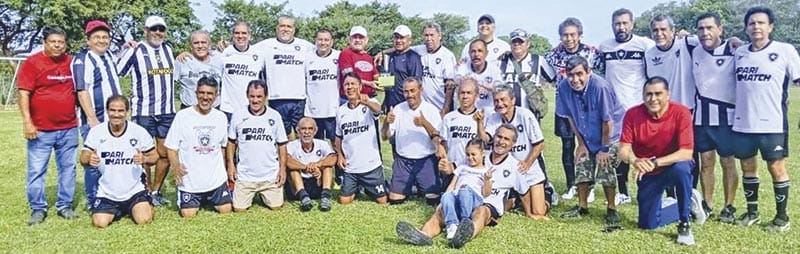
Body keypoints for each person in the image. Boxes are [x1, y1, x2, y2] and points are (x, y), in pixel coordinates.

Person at [396, 124, 525, 249]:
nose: (501, 141)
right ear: (494, 137)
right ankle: (423, 235)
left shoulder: (515, 166)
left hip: (486, 203)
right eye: (499, 136)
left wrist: (532, 211)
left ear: (513, 144)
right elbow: (454, 170)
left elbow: (524, 191)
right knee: (441, 211)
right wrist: (444, 165)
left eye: (506, 139)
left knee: (481, 211)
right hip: (462, 197)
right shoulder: (476, 153)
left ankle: (464, 235)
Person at [732, 7, 800, 232]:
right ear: (746, 28)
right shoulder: (739, 52)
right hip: (743, 122)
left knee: (776, 167)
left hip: (773, 122)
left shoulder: (785, 50)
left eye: (761, 23)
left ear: (771, 27)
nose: (756, 27)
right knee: (748, 167)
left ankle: (782, 218)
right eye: (752, 23)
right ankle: (753, 213)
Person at [619, 76, 696, 245]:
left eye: (658, 94)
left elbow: (686, 153)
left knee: (682, 169)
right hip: (648, 173)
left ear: (667, 94)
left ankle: (684, 223)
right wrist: (635, 160)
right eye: (648, 94)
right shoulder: (632, 114)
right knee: (647, 224)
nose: (653, 99)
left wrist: (654, 162)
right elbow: (623, 150)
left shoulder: (681, 112)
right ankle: (689, 205)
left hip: (670, 166)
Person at [555, 56, 625, 230]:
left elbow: (607, 121)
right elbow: (570, 116)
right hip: (587, 135)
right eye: (570, 75)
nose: (575, 79)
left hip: (610, 135)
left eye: (579, 74)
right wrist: (581, 143)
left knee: (605, 165)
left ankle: (611, 208)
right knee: (582, 162)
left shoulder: (600, 87)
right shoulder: (563, 87)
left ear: (588, 72)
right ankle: (582, 206)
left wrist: (604, 149)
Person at [17, 26, 78, 225]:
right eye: (53, 41)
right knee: (36, 170)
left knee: (68, 169)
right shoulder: (32, 63)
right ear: (45, 42)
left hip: (68, 128)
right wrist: (28, 122)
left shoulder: (71, 62)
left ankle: (65, 206)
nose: (57, 45)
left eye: (61, 42)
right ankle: (38, 208)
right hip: (41, 130)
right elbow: (24, 93)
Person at [117, 15, 176, 206]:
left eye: (161, 29)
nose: (157, 33)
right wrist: (123, 49)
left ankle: (156, 190)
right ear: (146, 30)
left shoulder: (168, 49)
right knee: (144, 155)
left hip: (167, 111)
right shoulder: (137, 50)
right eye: (153, 29)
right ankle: (146, 191)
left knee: (165, 153)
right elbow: (118, 70)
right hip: (143, 111)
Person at [598, 9, 655, 205]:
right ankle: (623, 192)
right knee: (621, 151)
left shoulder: (645, 44)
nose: (621, 27)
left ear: (632, 24)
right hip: (614, 111)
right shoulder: (605, 47)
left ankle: (647, 189)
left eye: (625, 23)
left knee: (645, 150)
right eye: (617, 24)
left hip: (639, 107)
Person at [544, 17, 603, 201]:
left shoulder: (592, 52)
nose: (569, 39)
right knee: (567, 146)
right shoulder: (553, 55)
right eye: (565, 35)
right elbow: (545, 73)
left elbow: (602, 73)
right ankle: (572, 185)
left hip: (587, 108)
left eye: (572, 35)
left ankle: (589, 184)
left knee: (589, 145)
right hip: (565, 107)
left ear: (580, 35)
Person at [690, 12, 740, 223]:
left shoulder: (735, 49)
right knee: (707, 161)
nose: (705, 32)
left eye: (710, 27)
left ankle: (729, 206)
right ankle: (708, 204)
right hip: (702, 116)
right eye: (701, 28)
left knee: (728, 161)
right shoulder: (693, 48)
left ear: (721, 29)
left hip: (727, 116)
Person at [80, 95, 157, 228]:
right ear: (107, 111)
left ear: (127, 112)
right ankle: (118, 209)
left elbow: (155, 156)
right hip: (107, 192)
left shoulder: (138, 132)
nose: (116, 114)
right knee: (99, 223)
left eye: (120, 111)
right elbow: (83, 157)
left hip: (134, 191)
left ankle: (144, 205)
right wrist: (88, 158)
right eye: (112, 110)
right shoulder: (97, 132)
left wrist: (144, 159)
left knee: (144, 220)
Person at [72, 20, 122, 209]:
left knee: (111, 158)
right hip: (95, 120)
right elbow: (82, 90)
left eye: (105, 37)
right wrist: (92, 118)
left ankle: (111, 196)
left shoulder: (107, 56)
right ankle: (94, 201)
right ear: (88, 40)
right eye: (97, 37)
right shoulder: (83, 59)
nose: (102, 40)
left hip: (113, 119)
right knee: (93, 160)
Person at [165, 77, 232, 217]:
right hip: (190, 182)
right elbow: (171, 147)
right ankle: (197, 198)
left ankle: (210, 196)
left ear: (216, 96)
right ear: (196, 93)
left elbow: (223, 147)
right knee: (188, 214)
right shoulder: (182, 116)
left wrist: (225, 171)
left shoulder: (221, 117)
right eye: (202, 93)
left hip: (215, 180)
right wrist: (176, 166)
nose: (205, 97)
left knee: (226, 210)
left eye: (210, 94)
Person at [481, 85, 548, 219]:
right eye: (496, 101)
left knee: (539, 212)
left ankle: (548, 193)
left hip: (528, 167)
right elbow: (486, 139)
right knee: (500, 206)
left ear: (513, 100)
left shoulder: (525, 115)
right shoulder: (494, 118)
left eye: (503, 100)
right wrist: (479, 124)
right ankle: (515, 198)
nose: (500, 104)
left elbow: (540, 144)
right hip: (508, 169)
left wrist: (527, 164)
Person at [226, 80, 288, 212]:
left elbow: (282, 145)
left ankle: (267, 193)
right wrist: (230, 165)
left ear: (265, 97)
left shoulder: (274, 116)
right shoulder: (238, 115)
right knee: (238, 209)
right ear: (247, 96)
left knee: (276, 207)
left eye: (259, 96)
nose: (255, 100)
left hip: (270, 176)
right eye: (252, 96)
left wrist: (282, 169)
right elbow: (231, 142)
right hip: (245, 176)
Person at [382, 77, 444, 205]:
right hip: (403, 161)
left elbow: (437, 138)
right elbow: (385, 136)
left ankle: (421, 184)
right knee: (395, 199)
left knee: (433, 199)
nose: (409, 95)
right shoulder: (398, 109)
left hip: (425, 160)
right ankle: (412, 186)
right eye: (406, 91)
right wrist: (386, 123)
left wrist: (424, 123)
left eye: (412, 91)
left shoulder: (431, 110)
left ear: (420, 90)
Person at [376, 22, 457, 115]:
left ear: (439, 36)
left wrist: (445, 109)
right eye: (426, 35)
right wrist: (382, 53)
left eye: (432, 35)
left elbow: (450, 86)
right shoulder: (420, 49)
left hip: (440, 106)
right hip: (423, 107)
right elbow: (401, 47)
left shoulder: (447, 55)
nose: (429, 39)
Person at [335, 73, 388, 205]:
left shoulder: (370, 103)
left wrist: (367, 102)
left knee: (382, 200)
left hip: (371, 165)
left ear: (360, 86)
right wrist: (340, 155)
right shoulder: (341, 110)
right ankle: (358, 187)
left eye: (353, 84)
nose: (350, 87)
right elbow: (338, 136)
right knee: (344, 201)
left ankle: (369, 187)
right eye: (347, 84)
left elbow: (378, 109)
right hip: (351, 167)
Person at [256, 16, 314, 135]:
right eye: (282, 26)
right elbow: (244, 52)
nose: (285, 29)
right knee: (282, 135)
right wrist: (226, 47)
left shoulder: (306, 47)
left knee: (302, 133)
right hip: (276, 99)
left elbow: (324, 55)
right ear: (277, 28)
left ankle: (299, 154)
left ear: (294, 29)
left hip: (299, 99)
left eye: (289, 26)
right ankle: (286, 154)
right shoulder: (264, 46)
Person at [437, 138, 492, 240]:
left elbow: (486, 193)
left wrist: (487, 180)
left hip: (474, 199)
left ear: (483, 153)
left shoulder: (485, 171)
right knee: (446, 195)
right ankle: (452, 225)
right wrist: (443, 201)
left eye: (473, 154)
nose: (470, 157)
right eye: (467, 154)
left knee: (464, 190)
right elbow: (452, 185)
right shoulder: (462, 168)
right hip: (458, 196)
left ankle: (464, 222)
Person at [498, 28, 554, 119]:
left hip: (531, 115)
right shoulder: (501, 61)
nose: (517, 44)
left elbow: (554, 78)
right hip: (506, 116)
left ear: (528, 44)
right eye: (514, 42)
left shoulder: (538, 60)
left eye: (520, 42)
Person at [438, 78, 485, 185]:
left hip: (473, 169)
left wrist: (480, 123)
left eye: (469, 93)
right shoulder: (449, 117)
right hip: (452, 169)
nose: (465, 96)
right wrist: (444, 161)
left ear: (476, 95)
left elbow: (484, 143)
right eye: (462, 93)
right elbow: (443, 143)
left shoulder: (482, 117)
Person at [286, 117, 337, 212]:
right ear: (298, 131)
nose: (307, 132)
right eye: (303, 129)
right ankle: (304, 198)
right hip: (298, 187)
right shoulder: (291, 145)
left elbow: (333, 158)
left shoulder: (323, 144)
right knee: (293, 169)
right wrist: (305, 167)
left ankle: (325, 197)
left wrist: (318, 165)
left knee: (327, 167)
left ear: (315, 131)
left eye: (310, 129)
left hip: (317, 182)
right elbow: (287, 161)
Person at [218, 21, 264, 121]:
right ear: (232, 35)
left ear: (249, 35)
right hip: (228, 110)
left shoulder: (259, 55)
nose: (240, 36)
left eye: (244, 33)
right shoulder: (224, 53)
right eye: (237, 33)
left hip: (251, 108)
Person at [304, 29, 341, 142]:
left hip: (333, 111)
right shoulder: (307, 58)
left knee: (336, 144)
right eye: (320, 39)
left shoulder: (339, 56)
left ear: (332, 41)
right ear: (315, 41)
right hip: (313, 112)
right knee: (315, 145)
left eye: (326, 40)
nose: (323, 43)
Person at [174, 30, 222, 109]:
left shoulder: (219, 60)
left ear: (209, 45)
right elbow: (169, 84)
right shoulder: (182, 61)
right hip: (189, 110)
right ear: (191, 46)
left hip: (214, 110)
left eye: (203, 42)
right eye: (196, 43)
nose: (200, 46)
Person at [383, 25, 423, 111]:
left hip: (406, 106)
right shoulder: (391, 56)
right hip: (391, 106)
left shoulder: (413, 57)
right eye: (396, 38)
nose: (398, 41)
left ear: (409, 40)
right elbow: (388, 83)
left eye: (402, 38)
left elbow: (416, 84)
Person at [455, 39, 502, 111]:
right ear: (469, 53)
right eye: (473, 51)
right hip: (468, 111)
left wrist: (481, 84)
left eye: (480, 51)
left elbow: (499, 90)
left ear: (486, 53)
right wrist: (463, 80)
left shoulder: (495, 70)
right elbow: (457, 79)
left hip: (489, 111)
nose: (476, 54)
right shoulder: (463, 66)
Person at [338, 26, 381, 99]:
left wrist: (386, 79)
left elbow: (375, 76)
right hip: (351, 98)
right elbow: (349, 77)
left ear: (366, 40)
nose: (358, 40)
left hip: (368, 97)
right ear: (349, 39)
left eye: (361, 37)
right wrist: (369, 83)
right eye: (355, 37)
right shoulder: (345, 53)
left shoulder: (369, 57)